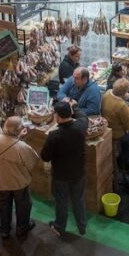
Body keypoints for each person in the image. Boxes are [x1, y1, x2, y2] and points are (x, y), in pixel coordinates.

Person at [0, 116, 40, 239]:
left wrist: (18, 137)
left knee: (4, 205)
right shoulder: (22, 147)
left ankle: (4, 229)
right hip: (19, 183)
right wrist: (20, 139)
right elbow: (32, 162)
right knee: (23, 206)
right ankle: (22, 227)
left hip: (0, 181)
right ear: (19, 129)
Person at [41, 101, 88, 237]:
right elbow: (83, 116)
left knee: (61, 201)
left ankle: (60, 226)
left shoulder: (54, 136)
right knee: (78, 200)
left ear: (58, 117)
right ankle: (82, 227)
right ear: (70, 113)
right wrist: (74, 105)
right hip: (79, 172)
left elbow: (45, 157)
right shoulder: (81, 126)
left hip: (61, 175)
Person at [101, 78, 129, 187]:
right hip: (118, 133)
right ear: (124, 92)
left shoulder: (107, 94)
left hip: (108, 128)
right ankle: (124, 159)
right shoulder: (121, 106)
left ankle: (124, 159)